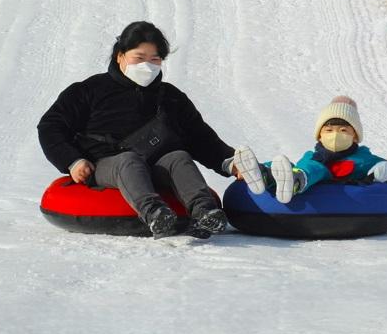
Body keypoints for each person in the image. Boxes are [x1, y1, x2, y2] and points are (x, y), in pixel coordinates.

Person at [38, 21, 249, 238]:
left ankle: (205, 212)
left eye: (155, 59)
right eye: (139, 58)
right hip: (108, 166)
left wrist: (230, 162)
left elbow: (199, 136)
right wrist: (73, 161)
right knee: (128, 160)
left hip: (157, 165)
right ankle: (155, 214)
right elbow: (50, 126)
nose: (147, 66)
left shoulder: (170, 97)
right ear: (120, 56)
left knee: (178, 157)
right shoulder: (88, 91)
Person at [235, 96, 387, 203]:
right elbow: (297, 166)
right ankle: (262, 173)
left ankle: (296, 181)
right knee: (295, 165)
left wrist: (386, 170)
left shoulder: (363, 158)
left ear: (355, 136)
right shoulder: (313, 157)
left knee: (317, 169)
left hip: (344, 189)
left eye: (343, 131)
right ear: (319, 136)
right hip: (304, 173)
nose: (335, 135)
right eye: (329, 130)